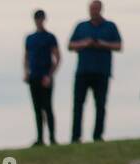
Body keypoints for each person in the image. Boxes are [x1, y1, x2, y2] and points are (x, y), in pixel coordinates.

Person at [68, 1, 123, 142]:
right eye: (91, 9)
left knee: (100, 105)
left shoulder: (110, 26)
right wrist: (85, 43)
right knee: (78, 105)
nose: (93, 12)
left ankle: (98, 135)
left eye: (95, 9)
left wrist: (103, 44)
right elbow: (70, 45)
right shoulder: (81, 26)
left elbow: (119, 45)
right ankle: (76, 136)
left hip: (101, 72)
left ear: (100, 10)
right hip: (83, 72)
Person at [25, 9, 61, 145]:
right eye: (37, 18)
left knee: (47, 107)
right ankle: (40, 138)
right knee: (37, 109)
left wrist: (50, 75)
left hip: (45, 76)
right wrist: (26, 72)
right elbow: (26, 57)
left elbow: (57, 57)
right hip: (33, 76)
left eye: (40, 18)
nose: (38, 21)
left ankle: (52, 137)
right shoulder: (30, 38)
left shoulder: (50, 37)